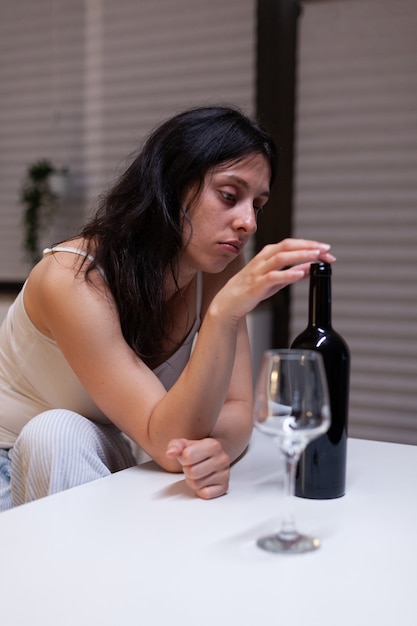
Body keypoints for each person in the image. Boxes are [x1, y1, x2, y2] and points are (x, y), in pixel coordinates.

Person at [0, 105, 335, 511]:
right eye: (230, 196)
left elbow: (236, 410)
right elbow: (161, 437)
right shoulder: (69, 277)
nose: (248, 222)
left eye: (257, 205)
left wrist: (213, 450)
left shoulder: (214, 265)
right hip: (11, 464)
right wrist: (222, 314)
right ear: (171, 185)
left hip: (99, 455)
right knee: (56, 432)